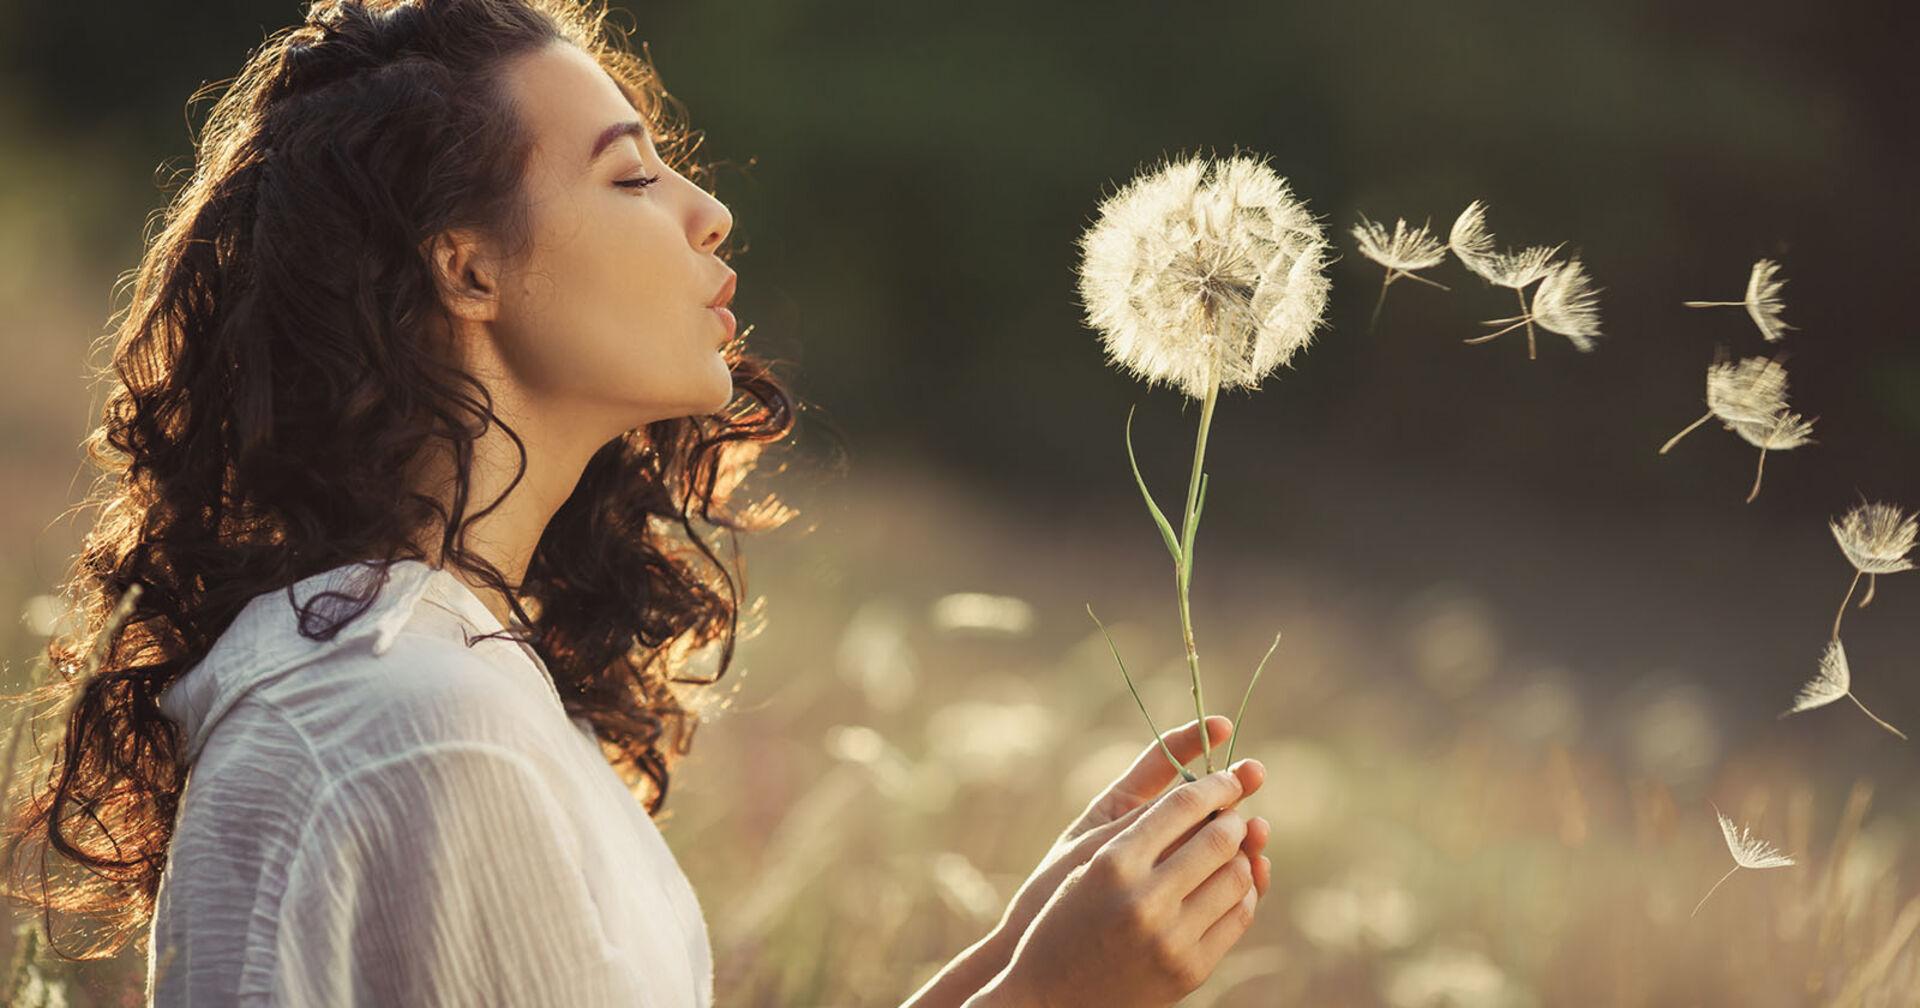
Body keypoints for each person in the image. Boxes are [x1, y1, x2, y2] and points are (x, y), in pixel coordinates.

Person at [1, 0, 1274, 1004]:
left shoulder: (425, 669)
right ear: (467, 268)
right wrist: (1051, 1000)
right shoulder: (424, 726)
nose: (709, 213)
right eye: (630, 179)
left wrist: (1013, 953)